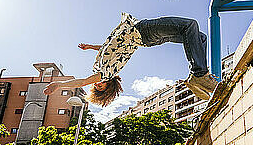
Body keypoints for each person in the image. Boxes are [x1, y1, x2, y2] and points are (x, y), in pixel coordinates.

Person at [43, 13, 219, 106]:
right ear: (107, 83)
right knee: (190, 25)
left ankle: (196, 79)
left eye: (96, 86)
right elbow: (81, 82)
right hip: (144, 31)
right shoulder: (105, 73)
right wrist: (59, 85)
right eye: (100, 86)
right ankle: (199, 75)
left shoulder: (103, 64)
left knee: (199, 37)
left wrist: (90, 47)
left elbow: (107, 47)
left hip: (149, 39)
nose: (96, 84)